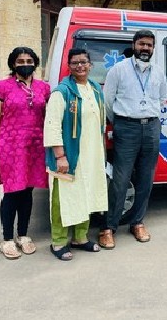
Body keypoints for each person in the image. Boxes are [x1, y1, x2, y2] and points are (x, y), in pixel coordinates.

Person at [100, 29, 167, 249]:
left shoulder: (158, 72)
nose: (145, 48)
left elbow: (162, 99)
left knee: (146, 179)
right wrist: (121, 122)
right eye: (141, 44)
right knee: (120, 179)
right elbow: (108, 101)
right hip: (126, 127)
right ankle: (109, 227)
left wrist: (150, 117)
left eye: (149, 45)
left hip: (151, 128)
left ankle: (137, 222)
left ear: (153, 48)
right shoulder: (118, 70)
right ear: (134, 45)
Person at [0, 47, 50, 259]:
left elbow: (48, 117)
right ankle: (7, 239)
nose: (24, 64)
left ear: (35, 63)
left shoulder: (44, 88)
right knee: (12, 192)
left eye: (29, 60)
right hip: (10, 146)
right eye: (20, 61)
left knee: (28, 192)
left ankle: (23, 235)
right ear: (13, 64)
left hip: (36, 146)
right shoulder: (1, 88)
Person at [43, 48, 107, 260]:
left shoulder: (95, 88)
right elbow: (52, 125)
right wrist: (60, 156)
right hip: (69, 156)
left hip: (91, 154)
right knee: (63, 199)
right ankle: (58, 242)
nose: (80, 66)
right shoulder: (62, 92)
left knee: (86, 195)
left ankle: (80, 237)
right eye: (75, 63)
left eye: (83, 62)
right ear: (69, 67)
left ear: (90, 65)